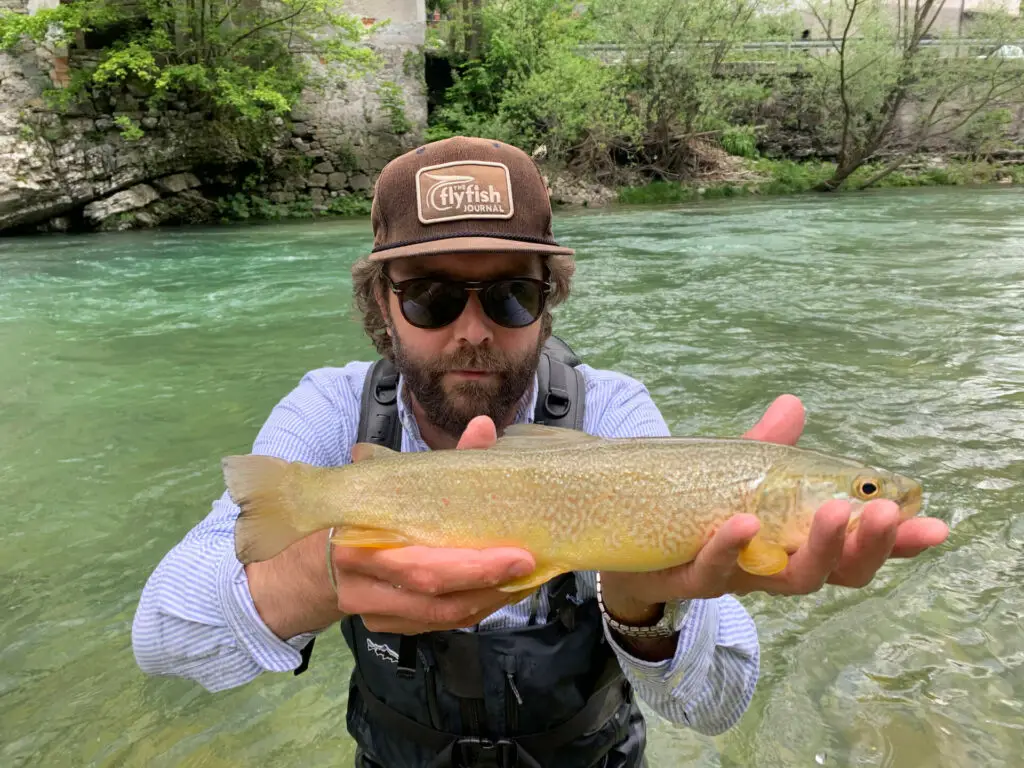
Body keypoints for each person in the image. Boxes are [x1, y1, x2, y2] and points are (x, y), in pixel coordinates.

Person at [131, 136, 949, 768]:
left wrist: (641, 605)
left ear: (549, 302)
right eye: (432, 294)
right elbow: (162, 637)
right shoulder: (330, 410)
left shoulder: (618, 412)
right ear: (380, 305)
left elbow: (719, 705)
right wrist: (313, 577)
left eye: (513, 294)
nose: (473, 328)